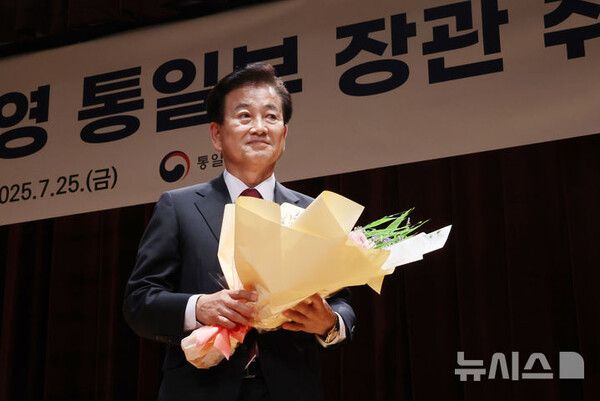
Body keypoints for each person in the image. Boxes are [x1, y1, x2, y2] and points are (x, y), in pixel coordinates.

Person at [123, 63, 356, 401]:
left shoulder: (311, 212)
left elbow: (342, 302)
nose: (259, 128)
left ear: (284, 135)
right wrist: (198, 307)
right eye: (245, 116)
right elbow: (139, 303)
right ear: (217, 135)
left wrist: (329, 322)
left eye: (271, 117)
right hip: (199, 390)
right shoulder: (179, 207)